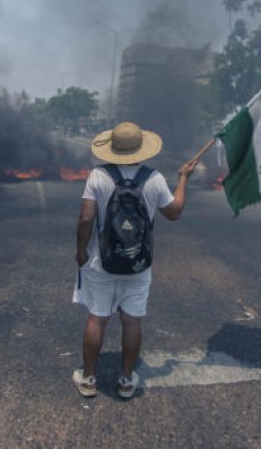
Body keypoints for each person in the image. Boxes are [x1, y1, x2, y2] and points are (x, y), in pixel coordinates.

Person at [73, 121, 198, 399]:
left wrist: (81, 251)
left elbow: (85, 219)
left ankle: (90, 379)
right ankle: (127, 381)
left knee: (97, 318)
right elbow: (174, 212)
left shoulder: (97, 176)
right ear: (142, 149)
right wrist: (184, 178)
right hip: (138, 264)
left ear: (113, 149)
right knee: (132, 322)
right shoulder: (154, 178)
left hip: (101, 262)